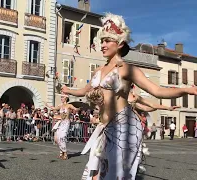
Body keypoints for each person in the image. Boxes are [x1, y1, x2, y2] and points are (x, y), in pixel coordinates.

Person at [61, 13, 197, 180]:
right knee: (93, 174)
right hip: (104, 128)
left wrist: (187, 90)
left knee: (115, 176)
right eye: (101, 41)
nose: (102, 45)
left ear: (119, 43)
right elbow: (83, 91)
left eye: (107, 41)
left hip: (124, 128)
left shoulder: (127, 69)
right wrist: (68, 90)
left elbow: (157, 91)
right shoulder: (98, 71)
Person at [45, 93, 79, 160]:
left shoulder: (69, 105)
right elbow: (54, 108)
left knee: (62, 136)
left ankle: (65, 152)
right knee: (57, 138)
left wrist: (78, 109)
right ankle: (61, 152)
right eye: (61, 97)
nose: (61, 99)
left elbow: (75, 109)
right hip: (61, 122)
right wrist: (47, 105)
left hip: (66, 122)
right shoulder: (60, 106)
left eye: (62, 97)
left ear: (66, 98)